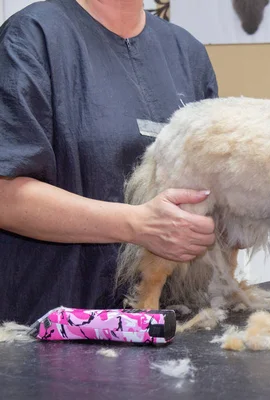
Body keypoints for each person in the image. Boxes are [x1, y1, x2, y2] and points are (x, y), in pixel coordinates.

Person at [0, 0, 219, 325]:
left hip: (174, 328)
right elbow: (5, 195)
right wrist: (137, 224)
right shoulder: (31, 38)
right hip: (57, 328)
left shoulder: (186, 52)